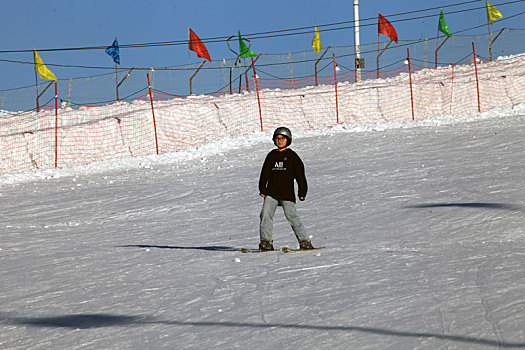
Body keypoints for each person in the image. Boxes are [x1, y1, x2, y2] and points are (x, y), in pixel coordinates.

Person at [258, 127, 315, 251]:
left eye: (282, 138)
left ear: (288, 140)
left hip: (287, 193)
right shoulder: (271, 155)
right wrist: (262, 188)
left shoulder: (292, 156)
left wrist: (302, 192)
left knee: (292, 216)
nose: (280, 141)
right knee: (265, 215)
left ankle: (304, 241)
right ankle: (266, 242)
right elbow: (265, 173)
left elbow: (300, 175)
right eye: (277, 138)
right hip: (271, 192)